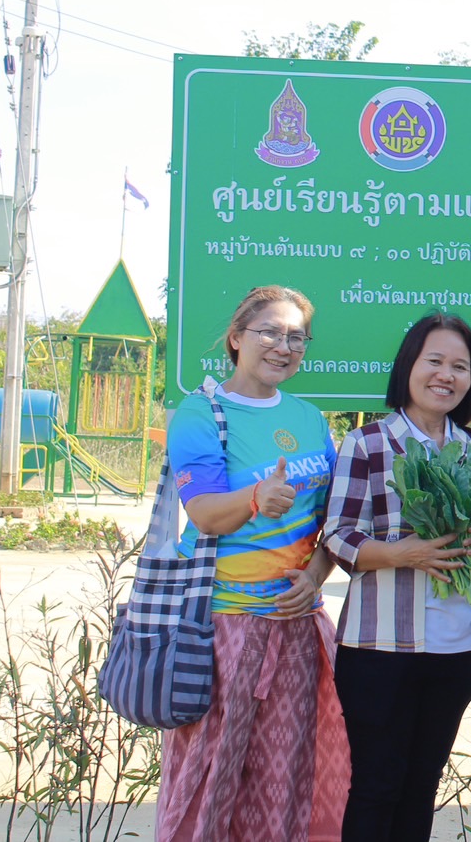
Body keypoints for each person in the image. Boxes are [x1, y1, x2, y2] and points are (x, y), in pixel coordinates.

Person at [155, 285, 346, 842]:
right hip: (222, 632)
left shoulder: (310, 419)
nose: (283, 346)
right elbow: (207, 514)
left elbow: (333, 520)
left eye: (296, 337)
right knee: (211, 780)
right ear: (237, 338)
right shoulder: (200, 413)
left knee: (286, 779)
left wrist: (314, 576)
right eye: (269, 332)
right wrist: (256, 499)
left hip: (296, 627)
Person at [322, 313, 471, 841]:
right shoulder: (367, 443)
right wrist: (401, 553)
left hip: (455, 649)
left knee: (421, 787)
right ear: (409, 366)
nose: (446, 375)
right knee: (375, 786)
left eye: (460, 366)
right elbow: (337, 535)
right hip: (379, 647)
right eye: (434, 361)